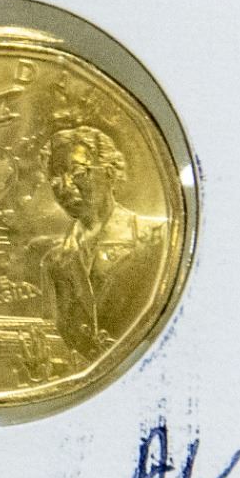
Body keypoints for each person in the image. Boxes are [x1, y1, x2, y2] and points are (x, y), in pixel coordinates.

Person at [38, 125, 165, 358]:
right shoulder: (54, 262)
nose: (65, 186)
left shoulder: (156, 237)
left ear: (109, 172)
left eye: (77, 171)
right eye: (55, 176)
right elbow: (53, 341)